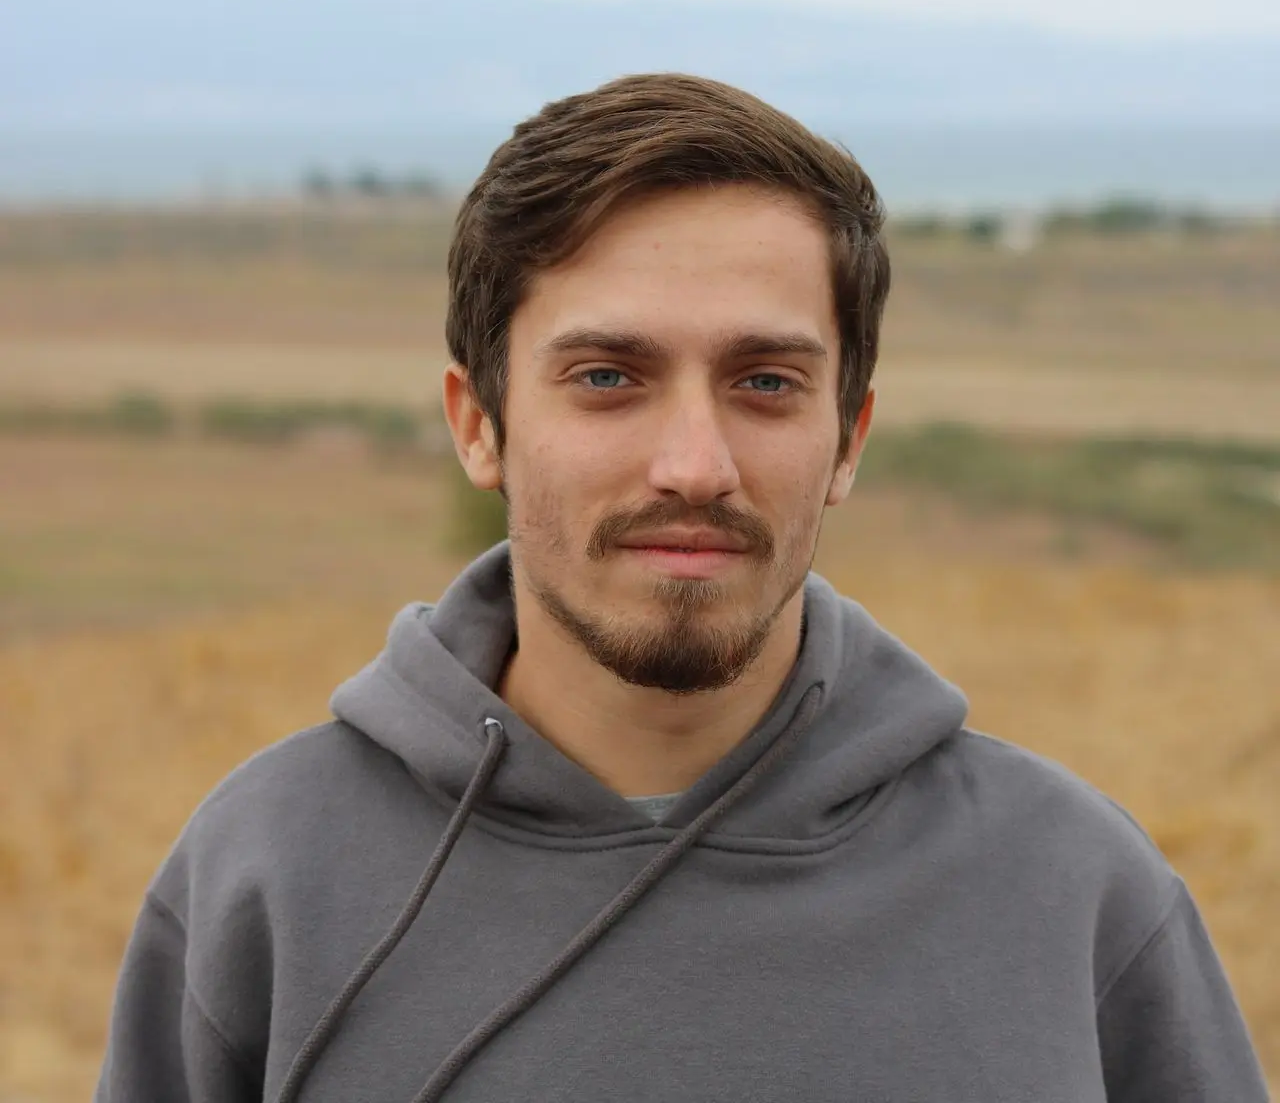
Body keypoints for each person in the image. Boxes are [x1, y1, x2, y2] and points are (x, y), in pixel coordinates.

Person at [95, 73, 1268, 1103]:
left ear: (847, 437)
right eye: (607, 376)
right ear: (479, 424)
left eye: (764, 380)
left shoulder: (1070, 894)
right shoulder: (268, 877)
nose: (694, 466)